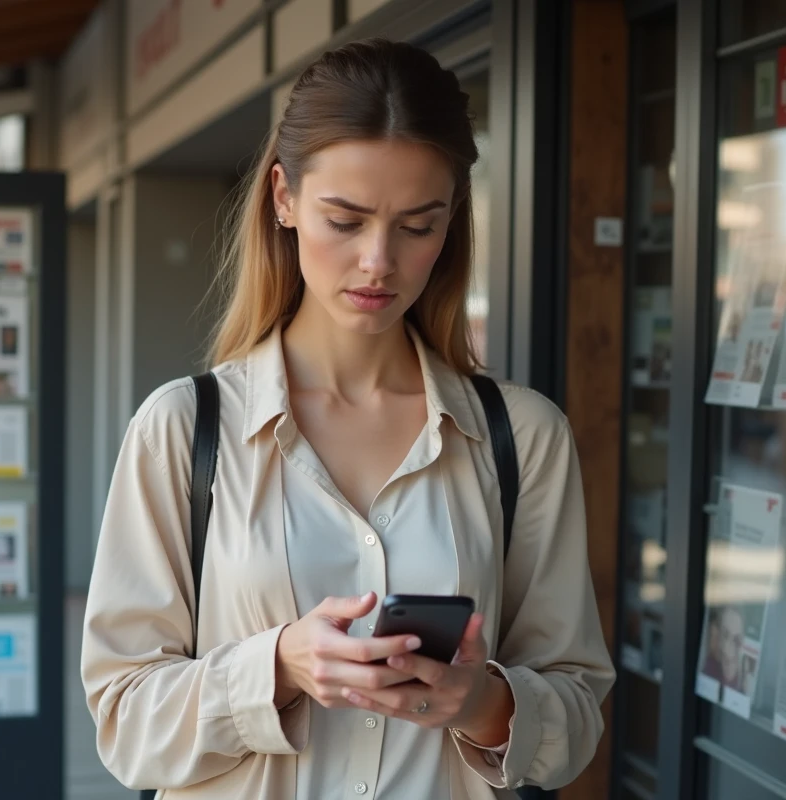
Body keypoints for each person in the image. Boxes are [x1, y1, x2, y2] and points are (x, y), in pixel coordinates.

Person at [80, 39, 614, 799]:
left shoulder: (523, 438)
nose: (377, 261)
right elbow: (123, 720)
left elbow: (577, 714)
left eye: (417, 226)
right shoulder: (182, 429)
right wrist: (277, 667)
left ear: (452, 220)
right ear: (284, 198)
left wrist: (484, 703)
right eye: (345, 220)